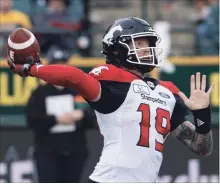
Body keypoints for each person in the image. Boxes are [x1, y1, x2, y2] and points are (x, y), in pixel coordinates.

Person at [7, 17, 214, 182]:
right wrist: (33, 68)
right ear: (117, 48)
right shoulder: (112, 83)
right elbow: (74, 77)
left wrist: (202, 115)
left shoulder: (166, 91)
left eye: (148, 43)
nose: (146, 49)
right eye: (139, 43)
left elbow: (201, 147)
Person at [25, 48, 97, 183]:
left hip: (74, 151)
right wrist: (56, 119)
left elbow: (93, 116)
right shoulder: (40, 93)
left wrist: (81, 115)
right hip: (47, 152)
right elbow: (32, 120)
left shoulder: (77, 91)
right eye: (55, 66)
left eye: (63, 65)